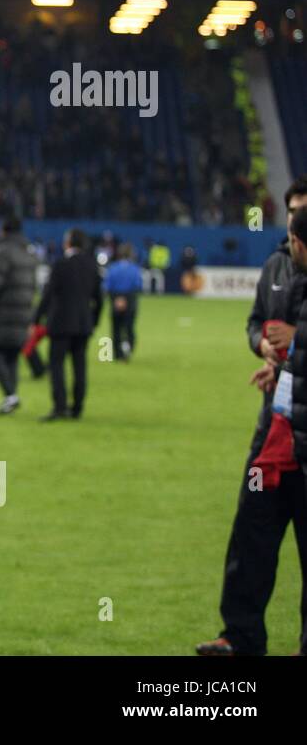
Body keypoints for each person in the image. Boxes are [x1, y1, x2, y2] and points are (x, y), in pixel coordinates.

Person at [198, 177, 307, 656]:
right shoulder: (276, 265)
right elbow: (255, 321)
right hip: (273, 432)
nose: (297, 220)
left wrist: (295, 345)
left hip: (303, 440)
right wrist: (265, 348)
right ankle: (239, 637)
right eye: (294, 211)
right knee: (251, 532)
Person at [33, 228, 103, 421]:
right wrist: (93, 321)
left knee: (57, 365)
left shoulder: (61, 264)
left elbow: (48, 295)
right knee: (79, 366)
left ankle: (60, 406)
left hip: (60, 323)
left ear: (69, 242)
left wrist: (36, 318)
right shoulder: (91, 265)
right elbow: (99, 299)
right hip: (83, 325)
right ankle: (78, 407)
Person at [0, 216, 39, 416]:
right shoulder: (29, 253)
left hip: (4, 311)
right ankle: (10, 397)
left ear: (4, 230)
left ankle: (11, 395)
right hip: (24, 311)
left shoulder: (2, 252)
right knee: (11, 355)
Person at [104, 242, 143, 361]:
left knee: (116, 328)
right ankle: (128, 348)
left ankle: (117, 354)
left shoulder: (113, 268)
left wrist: (117, 298)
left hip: (115, 299)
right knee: (129, 327)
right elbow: (138, 285)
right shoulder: (134, 269)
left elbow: (107, 286)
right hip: (130, 300)